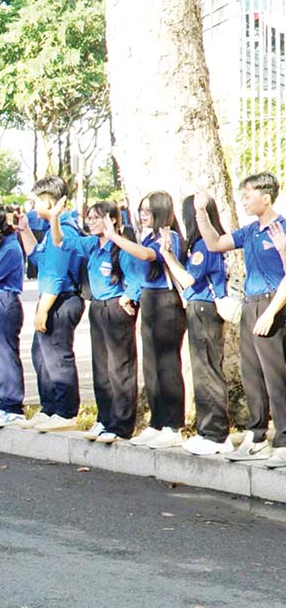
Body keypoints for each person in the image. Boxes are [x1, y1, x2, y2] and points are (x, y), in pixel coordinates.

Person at [195, 173, 286, 462]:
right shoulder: (249, 231)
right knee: (252, 375)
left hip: (274, 303)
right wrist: (200, 211)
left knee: (276, 375)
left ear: (266, 197)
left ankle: (283, 441)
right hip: (250, 304)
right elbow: (214, 244)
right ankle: (257, 436)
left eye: (248, 195)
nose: (244, 201)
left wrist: (272, 312)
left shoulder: (282, 228)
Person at [115, 192, 185, 447]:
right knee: (151, 364)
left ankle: (173, 424)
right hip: (148, 299)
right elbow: (137, 271)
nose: (143, 215)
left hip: (167, 302)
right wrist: (130, 294)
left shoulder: (169, 237)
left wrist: (115, 237)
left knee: (167, 364)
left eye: (148, 210)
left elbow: (147, 256)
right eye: (141, 210)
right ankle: (157, 421)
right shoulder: (144, 235)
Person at [18, 189, 90, 431]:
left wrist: (43, 310)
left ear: (51, 202)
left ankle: (66, 411)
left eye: (38, 199)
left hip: (60, 298)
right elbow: (39, 259)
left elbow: (56, 275)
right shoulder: (51, 230)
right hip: (52, 298)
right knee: (42, 355)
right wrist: (25, 230)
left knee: (57, 357)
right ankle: (49, 407)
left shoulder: (64, 230)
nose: (34, 204)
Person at [165, 194, 232, 456]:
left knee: (207, 371)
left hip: (204, 309)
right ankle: (209, 430)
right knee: (204, 369)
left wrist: (168, 256)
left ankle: (215, 433)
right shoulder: (206, 244)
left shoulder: (205, 246)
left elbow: (188, 280)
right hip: (202, 309)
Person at [82, 200, 138, 443]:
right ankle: (104, 418)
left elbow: (136, 277)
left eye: (97, 217)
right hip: (97, 306)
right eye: (89, 218)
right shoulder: (93, 246)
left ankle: (121, 423)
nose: (91, 222)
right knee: (101, 367)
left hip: (117, 306)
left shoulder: (121, 248)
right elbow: (62, 241)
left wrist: (129, 296)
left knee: (120, 367)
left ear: (113, 219)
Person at [0, 209, 27, 427]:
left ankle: (13, 403)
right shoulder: (4, 245)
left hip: (6, 300)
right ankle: (5, 401)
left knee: (7, 352)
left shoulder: (11, 247)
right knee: (1, 353)